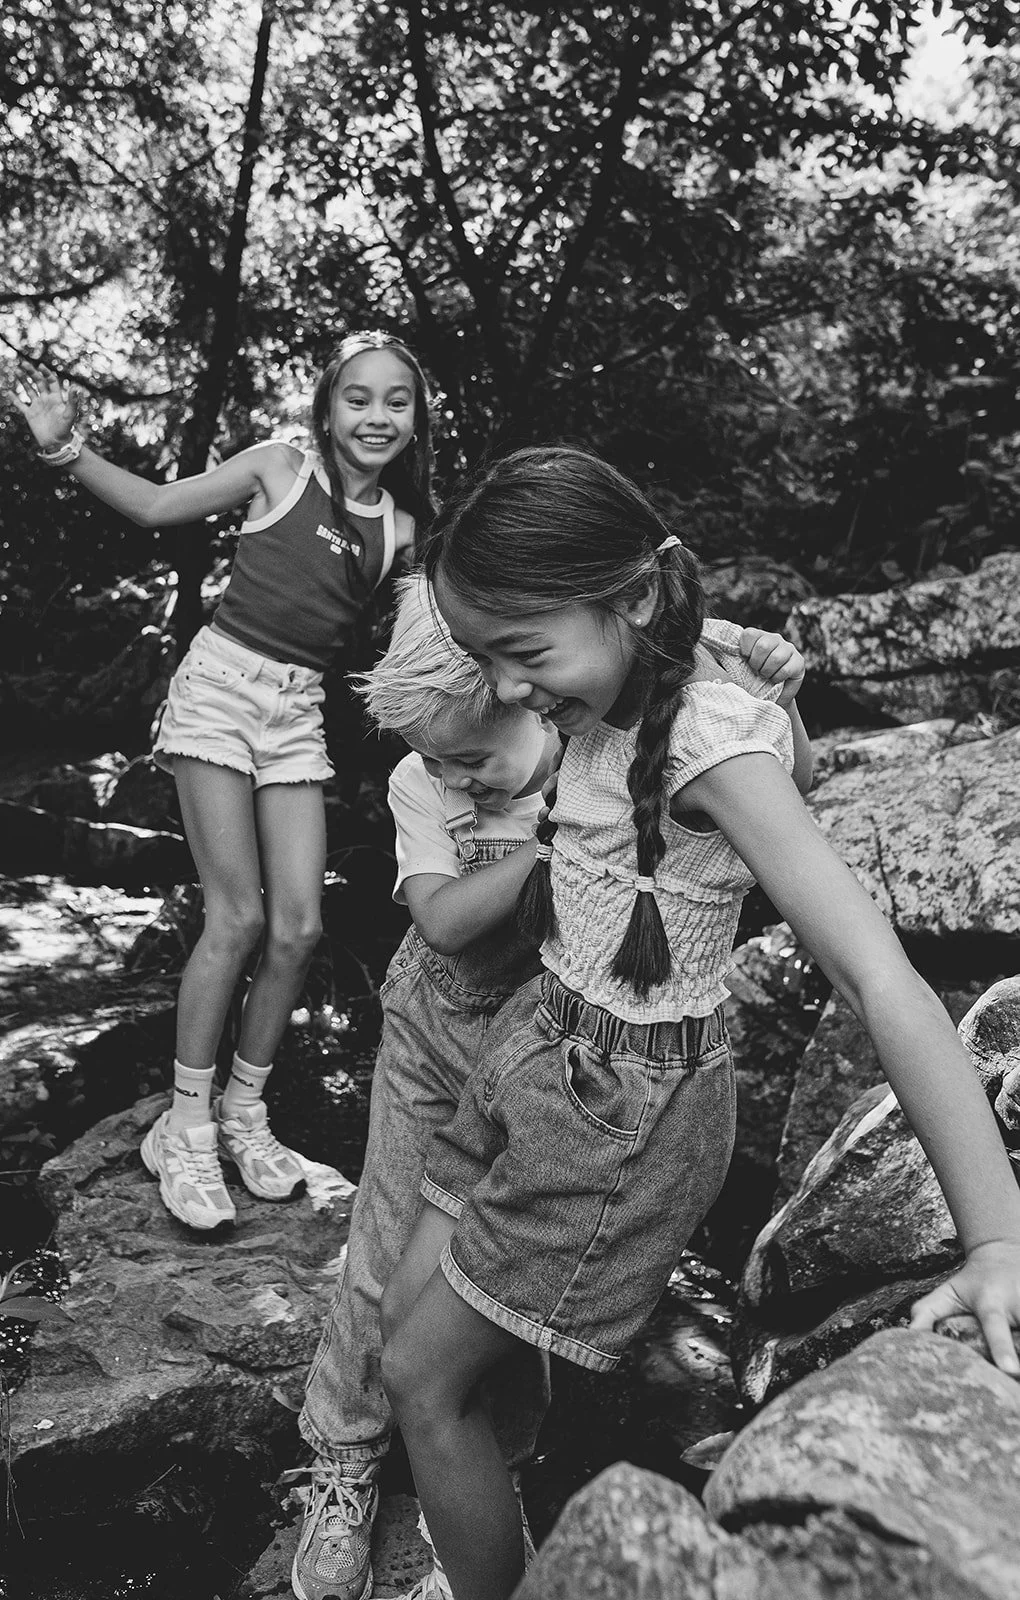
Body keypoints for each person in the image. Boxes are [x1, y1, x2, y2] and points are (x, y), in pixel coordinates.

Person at [377, 447, 1020, 1600]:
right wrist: (763, 681)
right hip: (534, 1046)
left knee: (425, 1386)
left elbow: (879, 975)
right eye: (486, 659)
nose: (512, 690)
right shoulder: (645, 668)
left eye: (524, 654)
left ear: (628, 595)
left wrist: (996, 1239)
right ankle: (498, 1527)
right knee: (408, 1342)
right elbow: (779, 742)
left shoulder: (706, 739)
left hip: (621, 1111)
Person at [291, 572, 808, 1600]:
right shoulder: (437, 781)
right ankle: (345, 1464)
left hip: (550, 1048)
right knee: (383, 1256)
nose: (459, 778)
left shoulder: (587, 737)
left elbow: (695, 719)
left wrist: (768, 687)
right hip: (444, 1029)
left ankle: (486, 1484)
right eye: (437, 761)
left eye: (476, 756)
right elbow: (441, 920)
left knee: (488, 1300)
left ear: (523, 695)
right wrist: (546, 837)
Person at [11, 332, 435, 1232]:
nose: (376, 416)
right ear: (327, 409)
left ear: (415, 420)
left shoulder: (399, 530)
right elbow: (160, 506)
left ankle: (245, 1111)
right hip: (218, 690)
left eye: (396, 401)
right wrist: (65, 448)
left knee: (300, 926)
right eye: (357, 398)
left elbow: (426, 640)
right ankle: (187, 1123)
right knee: (235, 915)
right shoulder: (279, 469)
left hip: (296, 712)